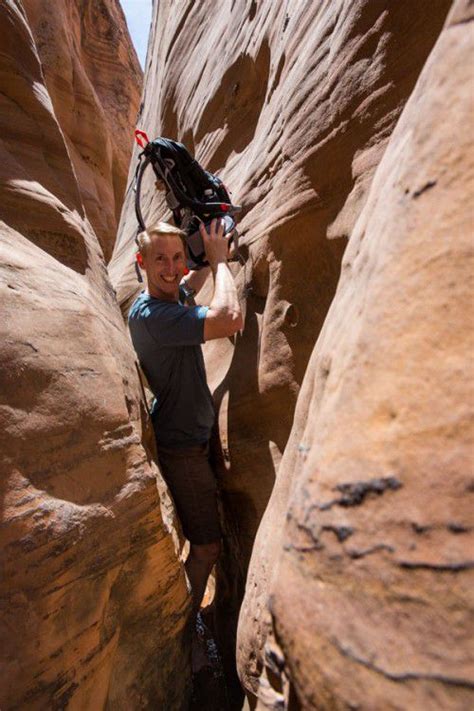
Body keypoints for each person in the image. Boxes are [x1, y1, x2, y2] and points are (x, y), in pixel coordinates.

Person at [128, 217, 243, 670]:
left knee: (207, 540)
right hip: (183, 450)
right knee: (207, 548)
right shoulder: (155, 317)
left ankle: (189, 617)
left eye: (177, 257)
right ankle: (181, 634)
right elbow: (228, 316)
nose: (172, 267)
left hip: (190, 437)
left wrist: (201, 254)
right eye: (160, 259)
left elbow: (184, 284)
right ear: (140, 262)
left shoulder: (165, 298)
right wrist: (219, 263)